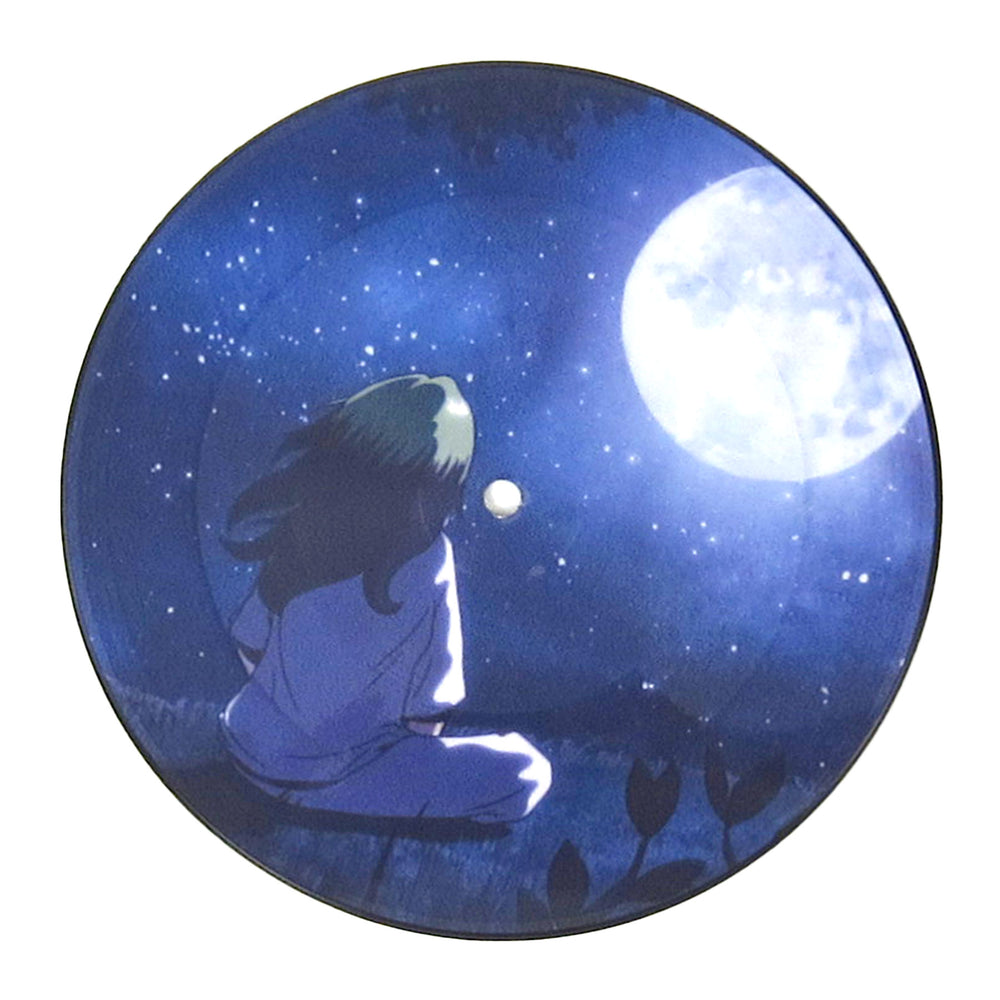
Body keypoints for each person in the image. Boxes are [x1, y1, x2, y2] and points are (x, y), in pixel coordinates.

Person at [220, 374, 550, 823]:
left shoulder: (310, 521)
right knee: (526, 770)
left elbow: (249, 643)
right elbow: (430, 706)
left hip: (245, 742)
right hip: (338, 774)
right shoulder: (428, 558)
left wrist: (295, 709)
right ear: (439, 483)